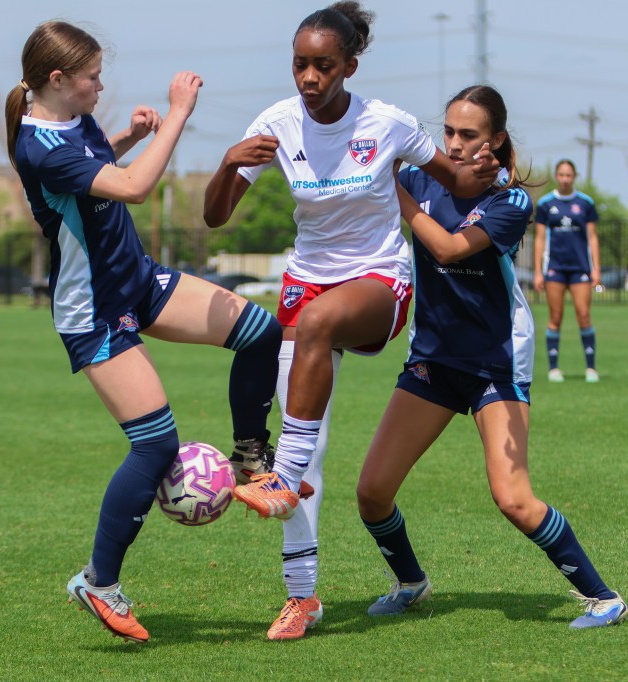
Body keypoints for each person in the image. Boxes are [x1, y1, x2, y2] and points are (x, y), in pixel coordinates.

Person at [203, 1, 497, 640]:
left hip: (377, 285)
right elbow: (215, 218)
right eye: (299, 64)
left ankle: (279, 472)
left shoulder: (386, 122)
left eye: (322, 66)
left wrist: (491, 176)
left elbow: (456, 178)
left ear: (349, 66)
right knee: (308, 449)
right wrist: (228, 162)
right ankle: (302, 597)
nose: (308, 78)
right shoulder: (276, 123)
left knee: (313, 329)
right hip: (306, 283)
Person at [5, 20, 282, 643]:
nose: (101, 85)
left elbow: (96, 160)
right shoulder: (37, 146)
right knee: (156, 445)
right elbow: (130, 187)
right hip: (94, 311)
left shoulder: (69, 124)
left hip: (138, 281)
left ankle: (248, 460)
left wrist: (126, 134)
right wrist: (180, 113)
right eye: (93, 76)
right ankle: (98, 580)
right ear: (58, 80)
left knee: (262, 332)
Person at [356, 85, 628, 630]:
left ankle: (602, 598)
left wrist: (397, 192)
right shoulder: (417, 178)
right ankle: (411, 582)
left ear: (496, 140)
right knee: (371, 492)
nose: (453, 145)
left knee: (513, 498)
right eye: (449, 133)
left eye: (469, 135)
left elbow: (449, 248)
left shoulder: (512, 201)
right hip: (433, 359)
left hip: (494, 363)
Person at [533, 159, 602, 383]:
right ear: (556, 176)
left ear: (575, 177)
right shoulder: (546, 204)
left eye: (569, 175)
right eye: (561, 175)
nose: (565, 179)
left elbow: (592, 237)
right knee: (556, 316)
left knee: (583, 314)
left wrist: (596, 268)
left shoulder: (585, 203)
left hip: (580, 268)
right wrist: (537, 271)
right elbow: (540, 239)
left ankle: (590, 368)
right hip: (555, 268)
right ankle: (554, 368)